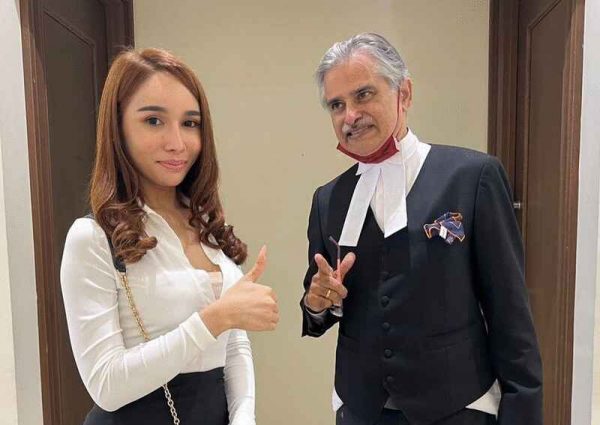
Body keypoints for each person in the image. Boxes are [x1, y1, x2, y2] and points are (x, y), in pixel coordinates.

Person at [300, 33, 542, 425]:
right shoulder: (328, 200)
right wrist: (316, 303)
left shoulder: (472, 178)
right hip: (362, 409)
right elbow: (319, 312)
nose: (350, 116)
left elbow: (510, 313)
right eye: (337, 105)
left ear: (405, 93)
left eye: (363, 95)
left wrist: (522, 412)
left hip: (457, 407)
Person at [61, 48, 279, 425]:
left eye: (190, 123)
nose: (177, 142)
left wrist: (244, 417)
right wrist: (214, 319)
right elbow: (105, 385)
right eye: (153, 121)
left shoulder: (206, 226)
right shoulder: (93, 238)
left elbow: (233, 346)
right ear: (118, 128)